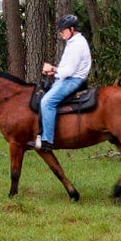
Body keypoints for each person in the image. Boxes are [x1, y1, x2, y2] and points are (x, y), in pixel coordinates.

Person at [35, 13, 91, 152]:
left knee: (47, 102)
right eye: (60, 31)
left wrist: (52, 68)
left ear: (72, 29)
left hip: (73, 80)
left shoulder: (77, 44)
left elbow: (69, 71)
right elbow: (65, 68)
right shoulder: (72, 42)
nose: (61, 33)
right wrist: (54, 72)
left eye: (63, 30)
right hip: (67, 77)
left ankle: (47, 141)